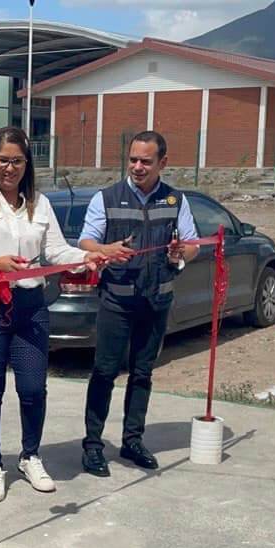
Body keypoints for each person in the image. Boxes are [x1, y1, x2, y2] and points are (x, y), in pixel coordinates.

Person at [0, 127, 105, 502]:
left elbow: (56, 251)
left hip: (30, 306)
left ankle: (30, 456)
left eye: (17, 161)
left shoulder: (39, 204)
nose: (10, 168)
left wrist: (86, 257)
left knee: (33, 388)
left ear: (27, 163)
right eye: (3, 160)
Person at [70, 130, 198, 476]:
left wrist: (180, 252)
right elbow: (86, 241)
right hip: (116, 301)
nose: (138, 167)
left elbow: (192, 244)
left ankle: (133, 440)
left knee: (143, 374)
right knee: (105, 372)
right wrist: (106, 249)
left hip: (156, 301)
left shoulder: (175, 200)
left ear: (162, 163)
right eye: (133, 160)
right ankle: (93, 445)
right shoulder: (107, 198)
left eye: (146, 161)